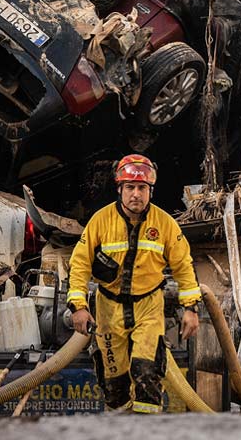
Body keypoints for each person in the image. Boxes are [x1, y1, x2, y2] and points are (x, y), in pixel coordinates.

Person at [67, 154, 202, 413]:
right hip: (108, 310)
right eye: (130, 187)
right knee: (113, 385)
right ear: (119, 189)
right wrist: (78, 306)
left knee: (147, 374)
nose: (136, 194)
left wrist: (191, 309)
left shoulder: (165, 224)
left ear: (151, 190)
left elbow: (184, 267)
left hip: (148, 308)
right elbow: (80, 264)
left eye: (142, 188)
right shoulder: (100, 221)